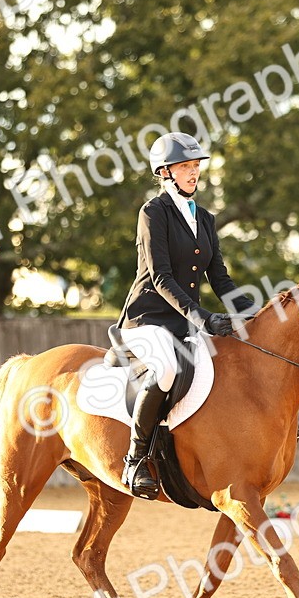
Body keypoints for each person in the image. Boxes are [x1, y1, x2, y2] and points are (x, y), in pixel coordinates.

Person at [116, 131, 255, 499]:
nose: (193, 173)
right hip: (148, 318)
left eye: (195, 166)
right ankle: (135, 457)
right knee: (166, 368)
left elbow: (220, 278)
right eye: (185, 167)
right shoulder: (153, 213)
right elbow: (160, 277)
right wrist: (204, 318)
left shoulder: (205, 218)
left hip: (186, 322)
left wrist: (255, 315)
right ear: (165, 172)